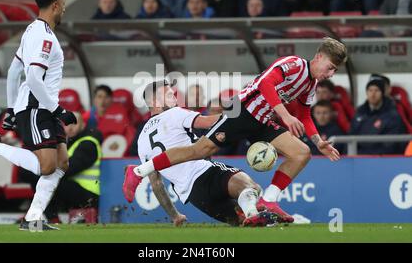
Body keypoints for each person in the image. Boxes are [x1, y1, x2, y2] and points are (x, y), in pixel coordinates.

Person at [124, 37, 347, 223]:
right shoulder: (295, 64)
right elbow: (265, 84)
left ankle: (268, 200)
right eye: (330, 67)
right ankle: (138, 172)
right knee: (199, 150)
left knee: (302, 153)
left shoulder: (311, 84)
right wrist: (286, 115)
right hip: (241, 111)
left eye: (334, 70)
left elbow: (306, 114)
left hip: (261, 120)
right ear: (318, 57)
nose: (330, 74)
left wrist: (318, 142)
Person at [0, 0, 76, 231]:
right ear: (55, 5)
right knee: (47, 166)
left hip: (37, 106)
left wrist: (13, 109)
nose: (65, 9)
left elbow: (15, 71)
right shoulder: (45, 37)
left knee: (62, 163)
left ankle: (33, 217)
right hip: (39, 108)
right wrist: (58, 111)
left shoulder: (31, 31)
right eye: (63, 4)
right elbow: (34, 78)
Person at [135, 80, 280, 226]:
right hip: (205, 173)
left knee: (241, 223)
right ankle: (252, 214)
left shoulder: (141, 141)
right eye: (169, 95)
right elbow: (213, 121)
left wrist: (175, 215)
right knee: (252, 188)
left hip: (194, 196)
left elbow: (156, 184)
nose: (174, 98)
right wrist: (246, 113)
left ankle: (251, 217)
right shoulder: (174, 113)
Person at [20, 112, 102, 222]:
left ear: (83, 125)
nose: (70, 128)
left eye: (75, 124)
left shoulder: (88, 143)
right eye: (67, 125)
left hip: (89, 194)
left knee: (43, 179)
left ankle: (52, 218)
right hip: (75, 188)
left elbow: (71, 167)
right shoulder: (67, 143)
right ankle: (50, 217)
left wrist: (45, 169)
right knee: (40, 178)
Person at [349, 77, 406, 154]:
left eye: (377, 90)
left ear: (382, 93)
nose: (373, 94)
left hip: (382, 159)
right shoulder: (359, 113)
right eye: (370, 90)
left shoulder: (392, 115)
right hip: (358, 158)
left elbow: (391, 145)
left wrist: (364, 155)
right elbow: (350, 137)